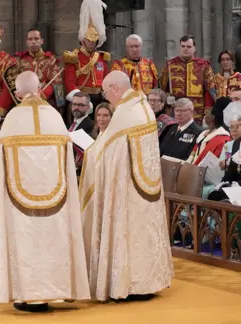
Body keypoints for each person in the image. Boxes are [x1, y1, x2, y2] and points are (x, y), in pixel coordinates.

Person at [0, 71, 90, 312]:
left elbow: (0, 162)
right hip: (57, 199)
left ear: (18, 93)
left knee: (27, 241)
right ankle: (60, 290)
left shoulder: (13, 118)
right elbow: (67, 159)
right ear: (40, 88)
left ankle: (30, 294)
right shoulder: (54, 116)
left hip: (19, 202)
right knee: (54, 239)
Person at [79, 71, 173, 301]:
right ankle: (145, 281)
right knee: (143, 233)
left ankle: (127, 283)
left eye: (104, 91)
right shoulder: (143, 107)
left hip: (126, 189)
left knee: (127, 231)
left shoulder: (124, 112)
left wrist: (89, 153)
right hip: (144, 189)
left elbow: (107, 151)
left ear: (113, 88)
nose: (106, 96)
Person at [63, 0, 110, 112]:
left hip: (99, 99)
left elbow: (106, 79)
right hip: (81, 101)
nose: (92, 42)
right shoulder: (74, 57)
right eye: (89, 39)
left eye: (94, 40)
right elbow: (69, 82)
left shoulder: (101, 57)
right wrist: (81, 101)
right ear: (83, 39)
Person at [159, 34, 216, 125]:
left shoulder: (204, 66)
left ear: (194, 48)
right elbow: (161, 88)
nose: (185, 49)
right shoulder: (170, 64)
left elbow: (210, 90)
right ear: (180, 47)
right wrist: (167, 97)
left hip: (197, 112)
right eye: (183, 46)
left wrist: (208, 112)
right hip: (175, 111)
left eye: (189, 46)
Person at [15, 28, 64, 110]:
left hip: (44, 101)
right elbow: (15, 82)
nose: (33, 41)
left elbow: (56, 83)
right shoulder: (20, 61)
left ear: (42, 41)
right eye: (30, 39)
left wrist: (40, 95)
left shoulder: (51, 60)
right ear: (27, 42)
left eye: (36, 38)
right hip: (24, 101)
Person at [187, 97, 232, 166]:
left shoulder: (223, 139)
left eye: (207, 112)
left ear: (212, 117)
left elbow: (211, 165)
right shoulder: (203, 134)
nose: (205, 113)